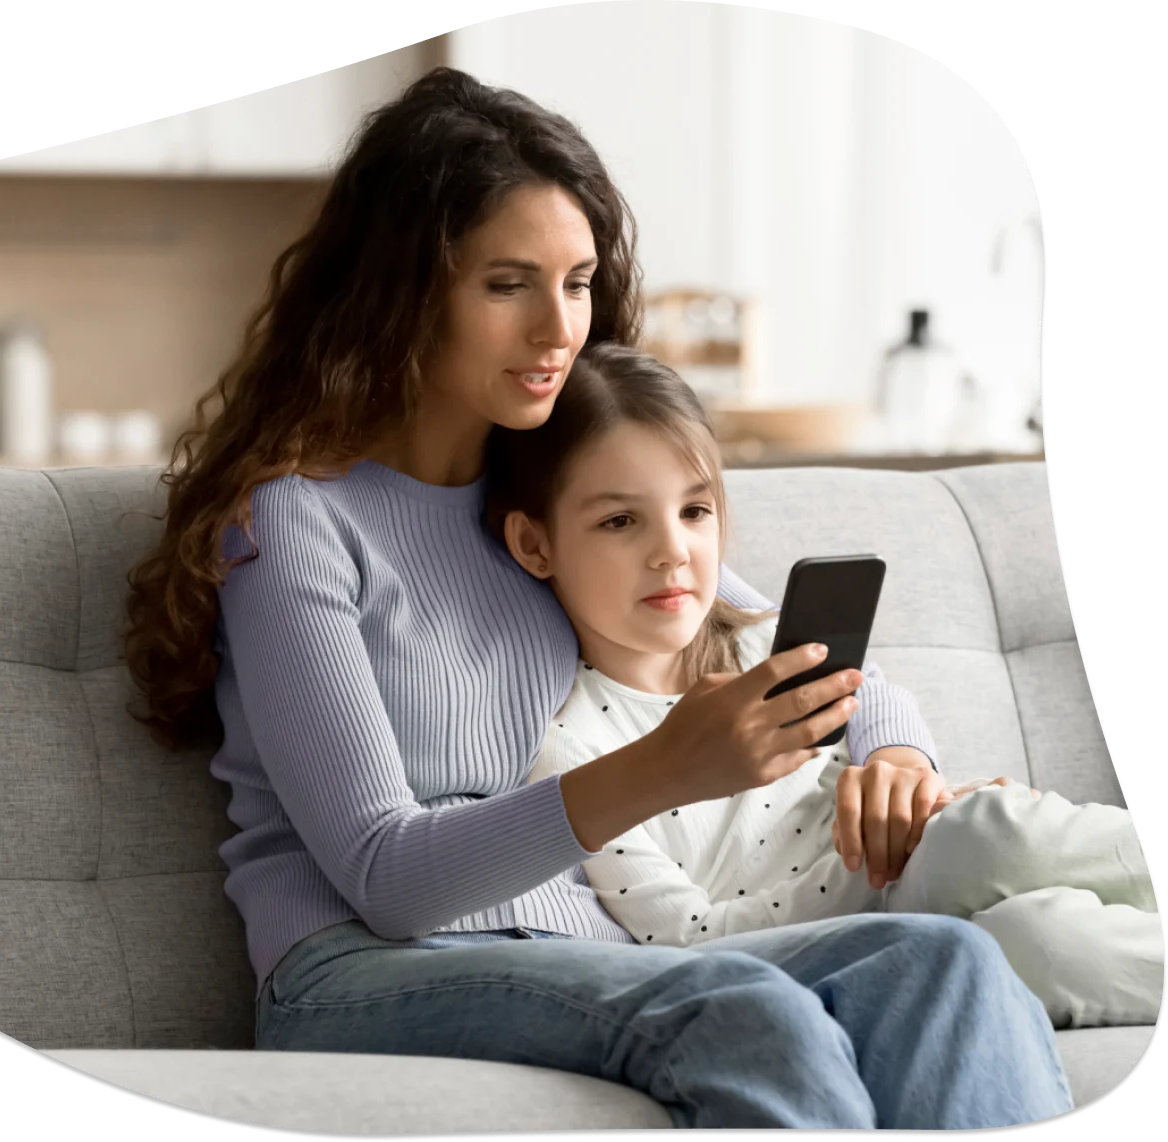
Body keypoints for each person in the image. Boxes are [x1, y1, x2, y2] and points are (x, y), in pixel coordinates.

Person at [122, 67, 1075, 1130]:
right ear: (399, 289)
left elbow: (805, 661)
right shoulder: (295, 521)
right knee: (744, 1005)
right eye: (506, 283)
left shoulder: (549, 504)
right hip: (356, 965)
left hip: (580, 953)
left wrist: (894, 757)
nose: (556, 327)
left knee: (945, 959)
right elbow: (386, 878)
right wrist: (666, 765)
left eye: (576, 282)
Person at [494, 342, 1163, 1031]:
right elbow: (687, 940)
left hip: (928, 871)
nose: (673, 551)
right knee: (1030, 942)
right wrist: (880, 869)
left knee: (1010, 872)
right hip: (854, 936)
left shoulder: (770, 648)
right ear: (534, 544)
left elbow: (885, 735)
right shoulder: (575, 753)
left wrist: (916, 794)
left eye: (694, 511)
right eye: (619, 521)